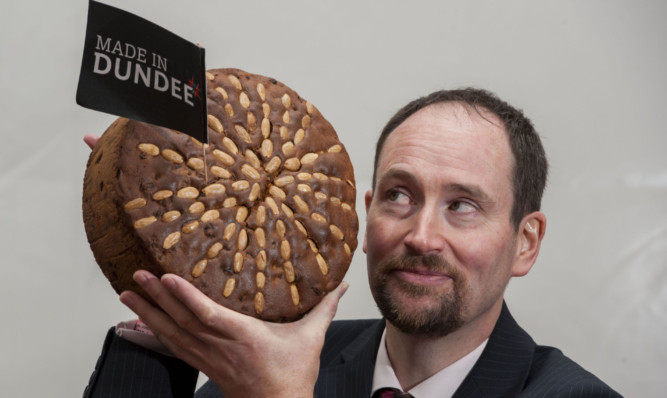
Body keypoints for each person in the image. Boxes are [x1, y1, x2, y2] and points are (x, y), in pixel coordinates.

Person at [83, 88, 622, 397]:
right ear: (364, 218)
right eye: (399, 196)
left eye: (462, 205)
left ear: (525, 243)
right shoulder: (262, 361)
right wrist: (168, 322)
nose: (421, 235)